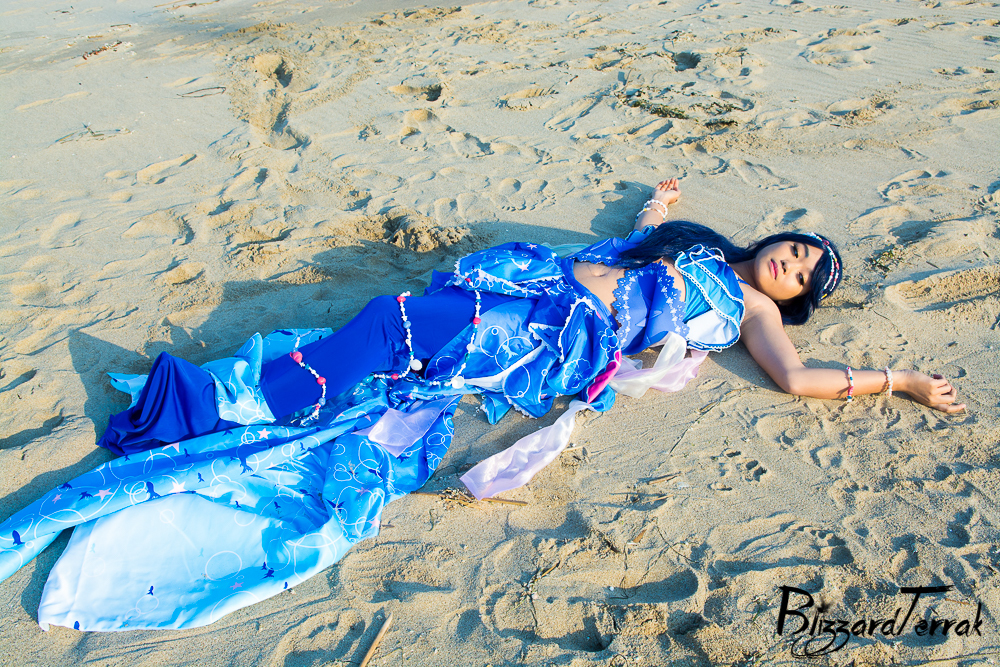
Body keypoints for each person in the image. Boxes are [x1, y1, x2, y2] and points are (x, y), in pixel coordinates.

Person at [0, 178, 964, 632]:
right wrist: (657, 209)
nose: (791, 262)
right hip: (540, 284)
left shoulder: (753, 313)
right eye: (796, 247)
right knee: (399, 331)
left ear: (795, 299)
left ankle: (257, 398)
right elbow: (645, 240)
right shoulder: (705, 248)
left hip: (563, 339)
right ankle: (266, 394)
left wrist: (904, 382)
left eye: (803, 274)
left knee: (393, 329)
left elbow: (797, 379)